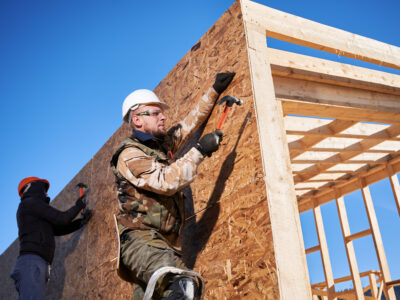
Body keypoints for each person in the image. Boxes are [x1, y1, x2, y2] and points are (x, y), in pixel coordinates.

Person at [110, 72, 235, 300]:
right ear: (137, 119)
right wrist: (200, 151)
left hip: (162, 244)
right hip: (140, 240)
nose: (163, 117)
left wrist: (214, 90)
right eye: (156, 112)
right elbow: (165, 181)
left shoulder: (160, 146)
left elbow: (189, 124)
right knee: (182, 285)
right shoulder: (129, 154)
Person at [10, 176, 92, 300]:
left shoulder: (30, 208)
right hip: (32, 263)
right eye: (44, 189)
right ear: (33, 187)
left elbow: (57, 229)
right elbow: (62, 218)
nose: (46, 193)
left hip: (34, 264)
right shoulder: (30, 203)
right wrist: (77, 206)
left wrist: (80, 222)